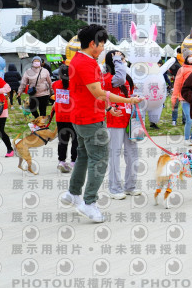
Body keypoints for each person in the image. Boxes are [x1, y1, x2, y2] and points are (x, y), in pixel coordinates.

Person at [59, 25, 142, 223]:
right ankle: (89, 202)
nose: (103, 47)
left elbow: (91, 93)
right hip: (90, 119)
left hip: (81, 117)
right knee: (100, 159)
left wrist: (107, 108)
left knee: (83, 156)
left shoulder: (79, 59)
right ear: (92, 43)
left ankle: (73, 193)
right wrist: (128, 100)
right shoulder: (87, 63)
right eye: (102, 44)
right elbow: (98, 92)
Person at [103, 50, 141, 199]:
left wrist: (135, 97)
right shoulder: (109, 78)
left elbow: (127, 94)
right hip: (115, 119)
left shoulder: (127, 78)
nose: (122, 62)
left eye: (123, 59)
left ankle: (130, 186)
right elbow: (119, 79)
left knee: (132, 153)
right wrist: (117, 59)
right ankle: (115, 188)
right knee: (115, 154)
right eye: (119, 59)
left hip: (130, 119)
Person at [52, 62, 77, 173]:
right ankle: (73, 161)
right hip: (74, 117)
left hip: (60, 117)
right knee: (75, 140)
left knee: (62, 140)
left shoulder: (55, 84)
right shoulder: (75, 85)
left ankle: (61, 161)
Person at [171, 48, 192, 145]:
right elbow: (177, 85)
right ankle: (186, 139)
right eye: (189, 56)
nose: (191, 58)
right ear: (185, 58)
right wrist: (174, 98)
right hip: (185, 99)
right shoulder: (181, 70)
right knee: (189, 119)